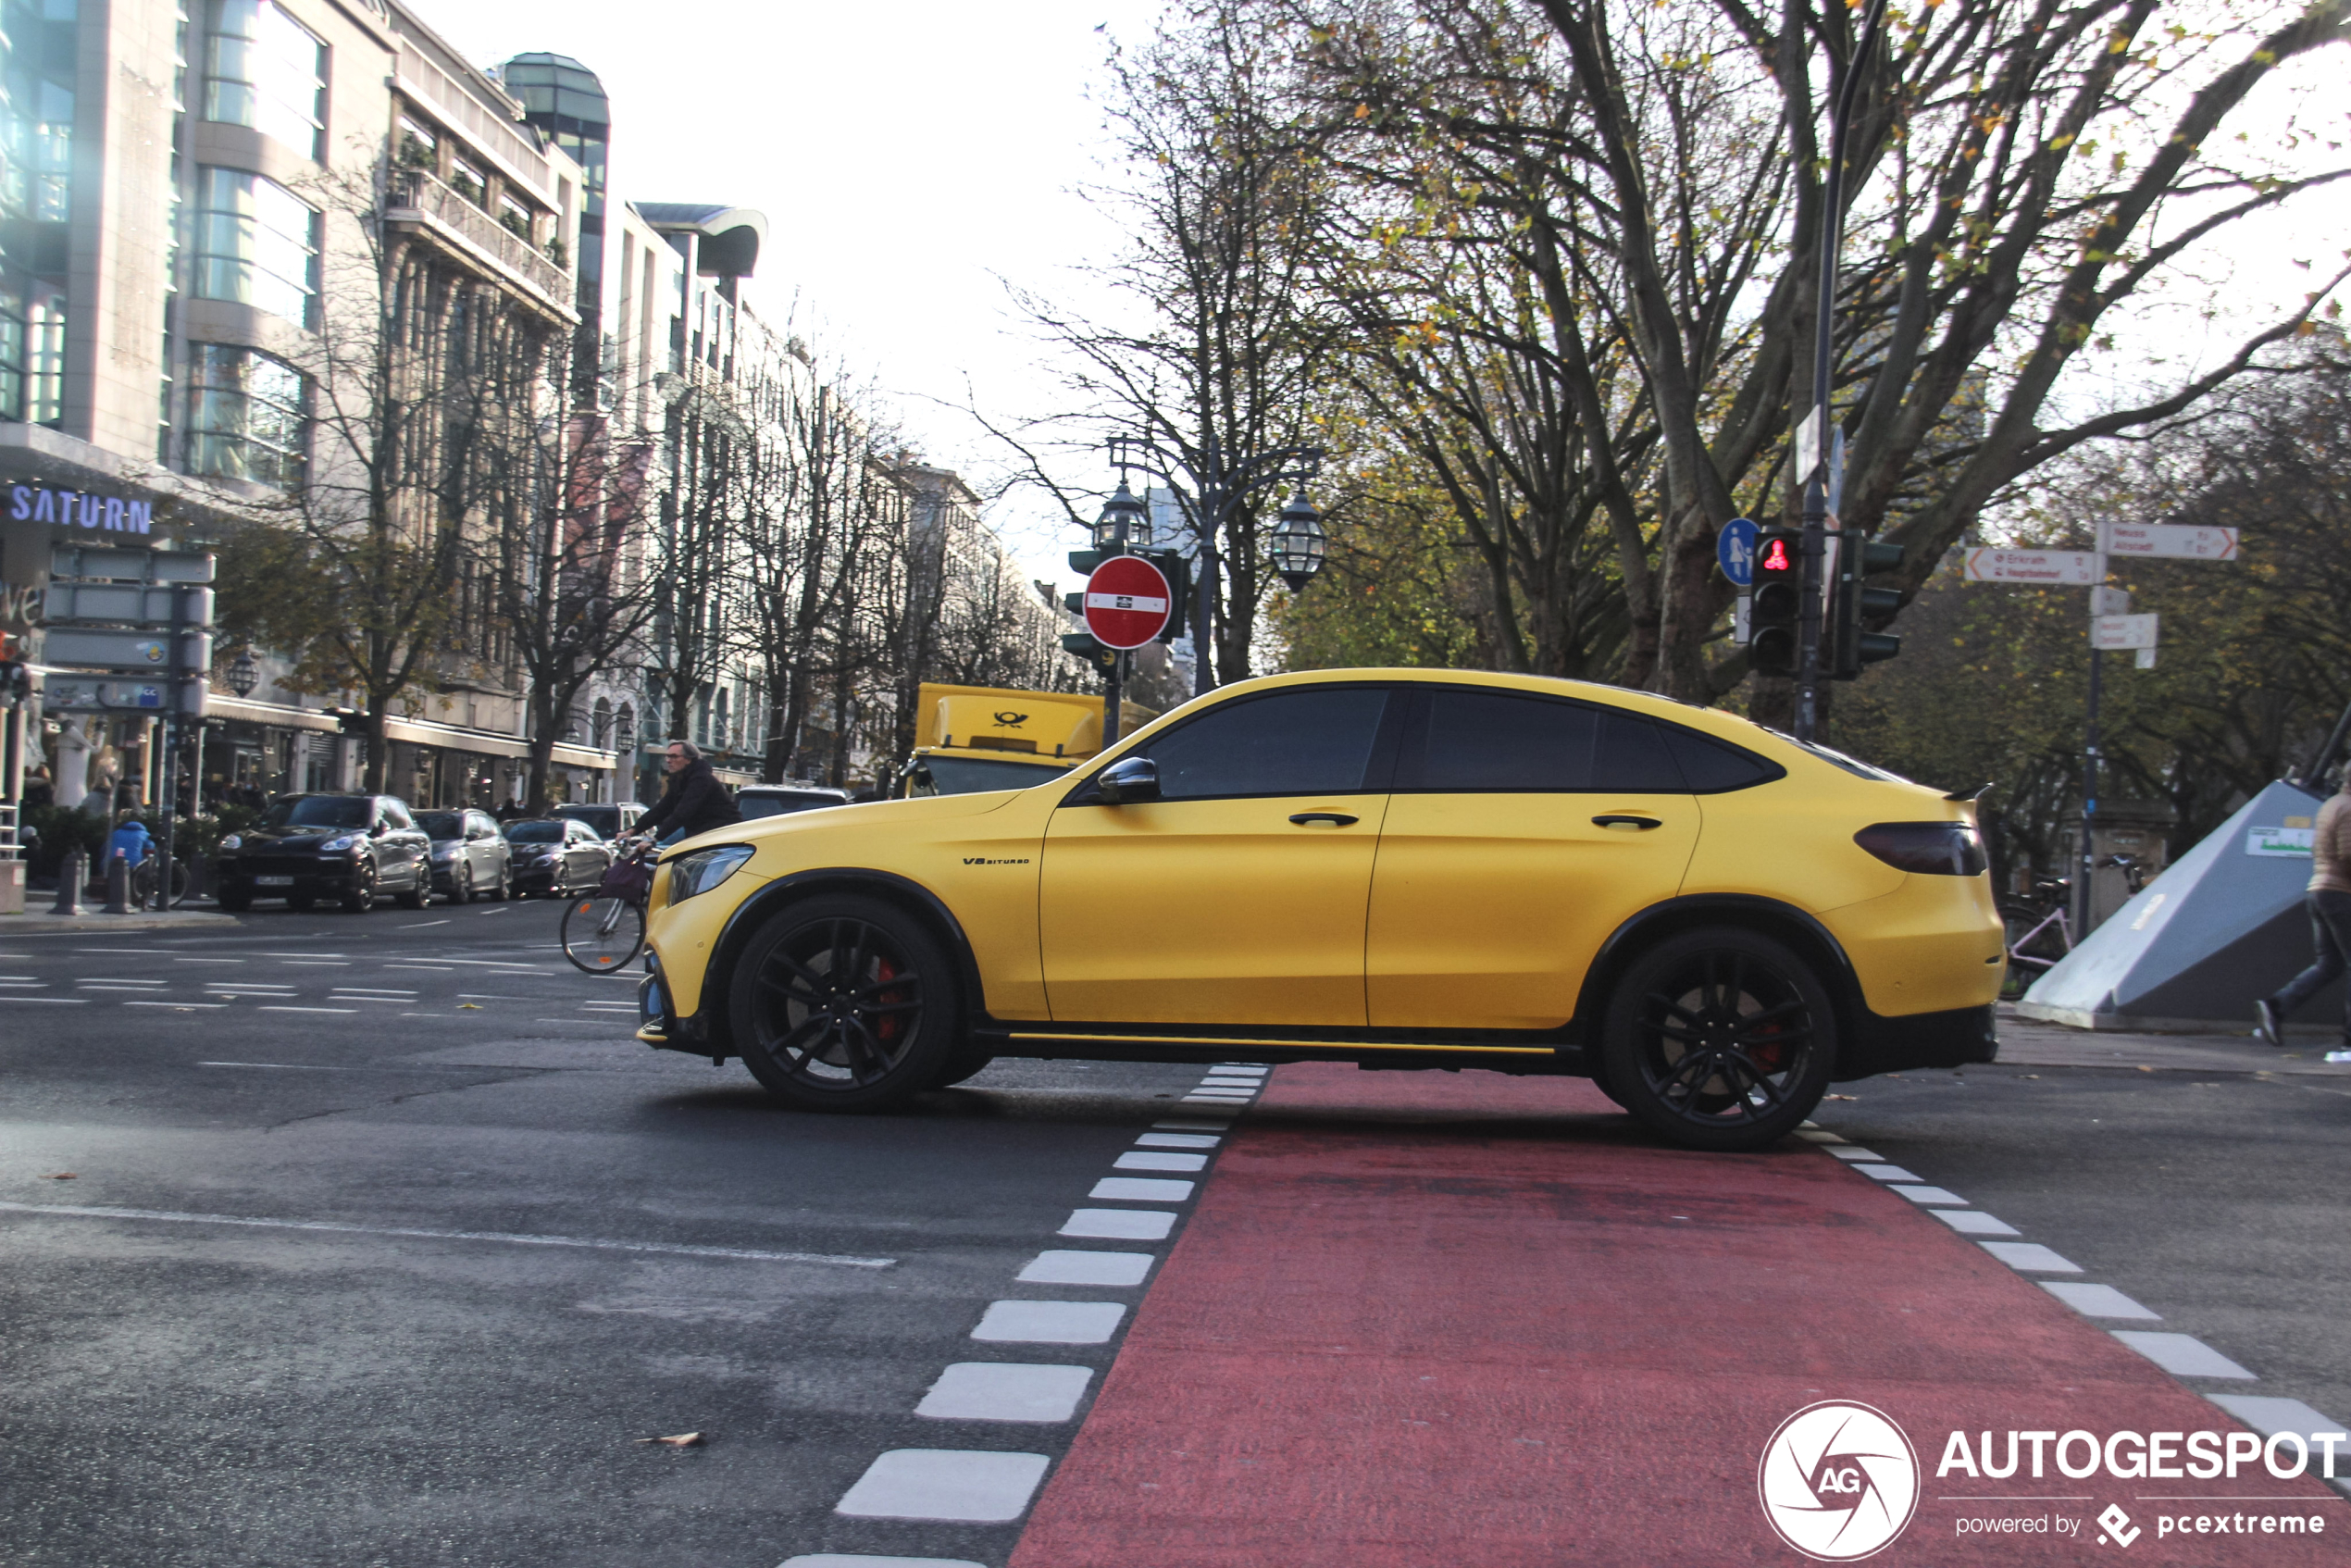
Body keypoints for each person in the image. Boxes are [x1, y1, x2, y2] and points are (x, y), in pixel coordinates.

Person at [2257, 773, 2351, 1052]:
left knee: (2329, 965)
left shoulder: (2332, 805)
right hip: (2341, 894)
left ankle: (2276, 1008)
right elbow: (2348, 856)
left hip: (2320, 891)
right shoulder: (2348, 808)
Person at [634, 740, 741, 846]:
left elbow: (683, 812)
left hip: (722, 833)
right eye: (667, 756)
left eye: (674, 756)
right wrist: (632, 830)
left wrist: (655, 840)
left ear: (689, 759)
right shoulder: (679, 780)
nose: (668, 760)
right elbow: (662, 809)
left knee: (664, 845)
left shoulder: (701, 779)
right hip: (701, 831)